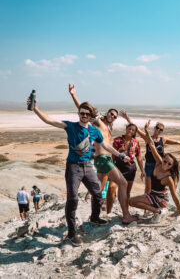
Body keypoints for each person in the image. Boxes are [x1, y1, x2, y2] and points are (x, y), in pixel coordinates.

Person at [27, 96, 131, 246]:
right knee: (73, 199)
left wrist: (120, 155)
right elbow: (49, 120)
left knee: (97, 193)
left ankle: (94, 218)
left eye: (86, 114)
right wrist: (35, 108)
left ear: (90, 116)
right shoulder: (70, 126)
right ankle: (71, 233)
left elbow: (106, 146)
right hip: (73, 167)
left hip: (88, 166)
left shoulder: (94, 131)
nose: (83, 116)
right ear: (78, 114)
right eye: (81, 113)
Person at [68, 84, 139, 225]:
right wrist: (73, 95)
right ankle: (126, 216)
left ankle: (95, 217)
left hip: (102, 160)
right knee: (123, 183)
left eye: (115, 116)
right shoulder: (99, 122)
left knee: (98, 191)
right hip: (103, 159)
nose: (112, 116)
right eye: (111, 114)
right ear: (106, 114)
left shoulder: (107, 128)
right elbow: (84, 110)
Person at [129, 121, 180, 223]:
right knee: (131, 201)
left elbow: (175, 197)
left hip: (161, 199)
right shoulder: (158, 163)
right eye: (165, 161)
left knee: (134, 200)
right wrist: (146, 130)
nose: (165, 164)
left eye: (169, 164)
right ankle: (156, 211)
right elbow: (152, 145)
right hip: (153, 196)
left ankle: (158, 211)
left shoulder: (168, 177)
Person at [120, 111, 180, 194]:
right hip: (149, 165)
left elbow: (176, 142)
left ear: (162, 131)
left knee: (158, 186)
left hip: (160, 165)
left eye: (160, 129)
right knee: (148, 188)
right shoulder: (147, 138)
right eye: (157, 127)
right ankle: (146, 205)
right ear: (154, 128)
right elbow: (136, 129)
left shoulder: (163, 139)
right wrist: (127, 118)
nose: (158, 130)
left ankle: (163, 200)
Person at [108, 123, 145, 212]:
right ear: (126, 129)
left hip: (130, 168)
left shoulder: (136, 142)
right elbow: (113, 154)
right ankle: (108, 212)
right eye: (129, 129)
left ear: (134, 133)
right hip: (118, 167)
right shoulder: (117, 140)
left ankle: (126, 213)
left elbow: (139, 157)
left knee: (127, 192)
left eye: (133, 130)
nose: (130, 131)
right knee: (111, 188)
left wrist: (142, 171)